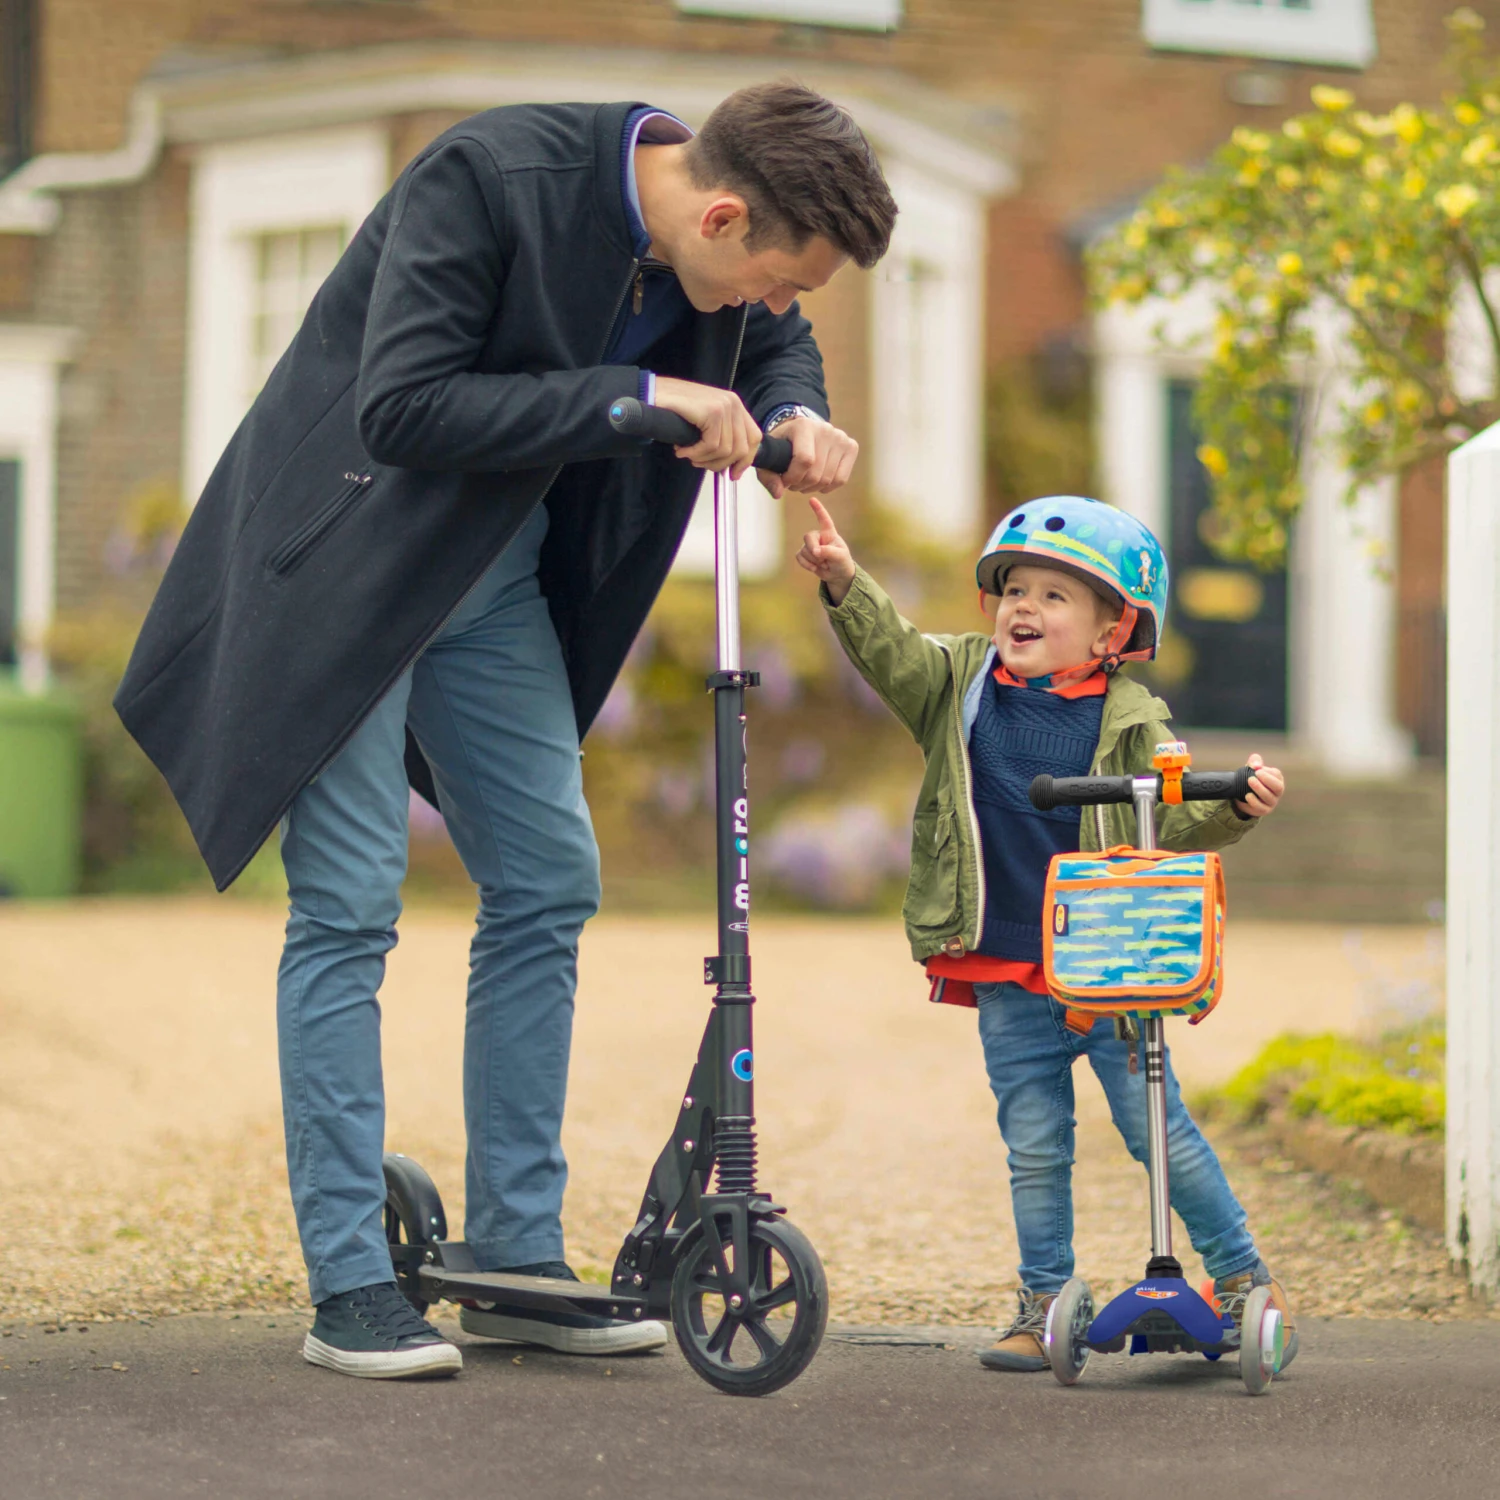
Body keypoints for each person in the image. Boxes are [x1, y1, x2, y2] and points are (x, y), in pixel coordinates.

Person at [115, 83, 896, 1379]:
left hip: (496, 582)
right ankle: (351, 1286)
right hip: (352, 572)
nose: (766, 308)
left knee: (548, 878)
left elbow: (777, 344)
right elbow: (404, 407)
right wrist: (643, 397)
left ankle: (518, 1262)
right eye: (764, 279)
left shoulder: (724, 255)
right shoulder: (484, 178)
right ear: (718, 212)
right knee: (352, 903)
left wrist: (797, 408)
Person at [795, 493, 1299, 1373]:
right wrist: (847, 584)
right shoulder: (957, 685)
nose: (1023, 607)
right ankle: (1045, 1298)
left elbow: (1174, 825)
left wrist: (1237, 807)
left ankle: (1244, 1274)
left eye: (1055, 596)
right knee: (1034, 1140)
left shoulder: (1133, 721)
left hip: (1108, 962)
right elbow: (893, 653)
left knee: (1157, 1129)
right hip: (1006, 964)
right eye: (1013, 589)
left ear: (1113, 630)